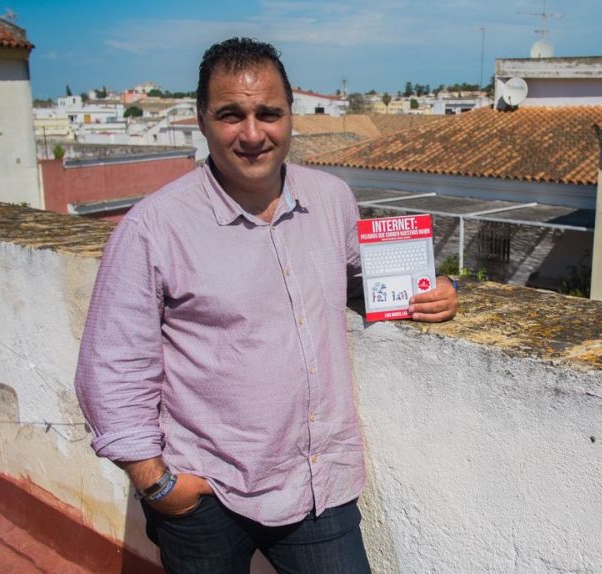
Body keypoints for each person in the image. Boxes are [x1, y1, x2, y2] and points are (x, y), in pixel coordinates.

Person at [74, 37, 458, 573]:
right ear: (202, 120)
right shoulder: (153, 227)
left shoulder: (331, 198)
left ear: (291, 117)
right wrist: (158, 485)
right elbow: (112, 367)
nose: (253, 134)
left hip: (317, 481)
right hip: (205, 491)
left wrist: (432, 287)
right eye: (231, 115)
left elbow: (356, 276)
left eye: (269, 114)